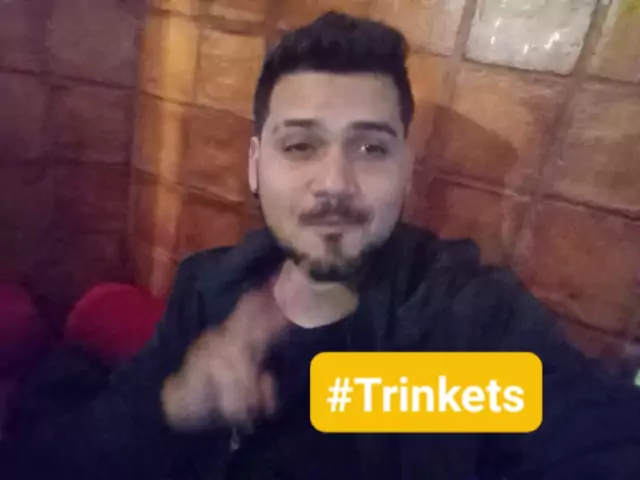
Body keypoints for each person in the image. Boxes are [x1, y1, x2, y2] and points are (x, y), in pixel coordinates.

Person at [9, 12, 640, 480]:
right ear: (255, 165)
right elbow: (66, 461)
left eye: (370, 147)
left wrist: (362, 393)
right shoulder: (207, 288)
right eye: (300, 145)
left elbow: (595, 444)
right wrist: (176, 406)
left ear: (405, 170)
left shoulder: (468, 316)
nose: (335, 182)